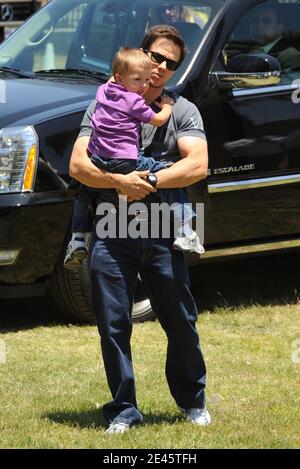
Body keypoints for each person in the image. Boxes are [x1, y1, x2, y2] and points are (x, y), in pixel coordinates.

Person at [69, 25, 210, 434]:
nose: (161, 67)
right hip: (113, 234)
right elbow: (79, 166)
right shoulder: (106, 102)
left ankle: (192, 401)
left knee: (181, 321)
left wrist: (143, 182)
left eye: (171, 63)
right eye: (156, 57)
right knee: (113, 324)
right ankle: (124, 409)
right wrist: (117, 182)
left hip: (164, 233)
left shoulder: (181, 110)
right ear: (140, 55)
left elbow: (196, 165)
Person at [64, 47, 204, 269]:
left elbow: (198, 165)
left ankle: (78, 238)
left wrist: (124, 72)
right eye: (139, 79)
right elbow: (158, 120)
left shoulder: (103, 93)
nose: (144, 85)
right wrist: (167, 107)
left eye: (172, 64)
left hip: (99, 158)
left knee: (83, 191)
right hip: (127, 160)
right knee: (165, 171)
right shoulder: (134, 101)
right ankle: (185, 230)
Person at [249, 5, 300, 76]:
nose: (259, 25)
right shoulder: (244, 47)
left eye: (266, 21)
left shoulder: (288, 56)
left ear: (280, 28)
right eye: (256, 21)